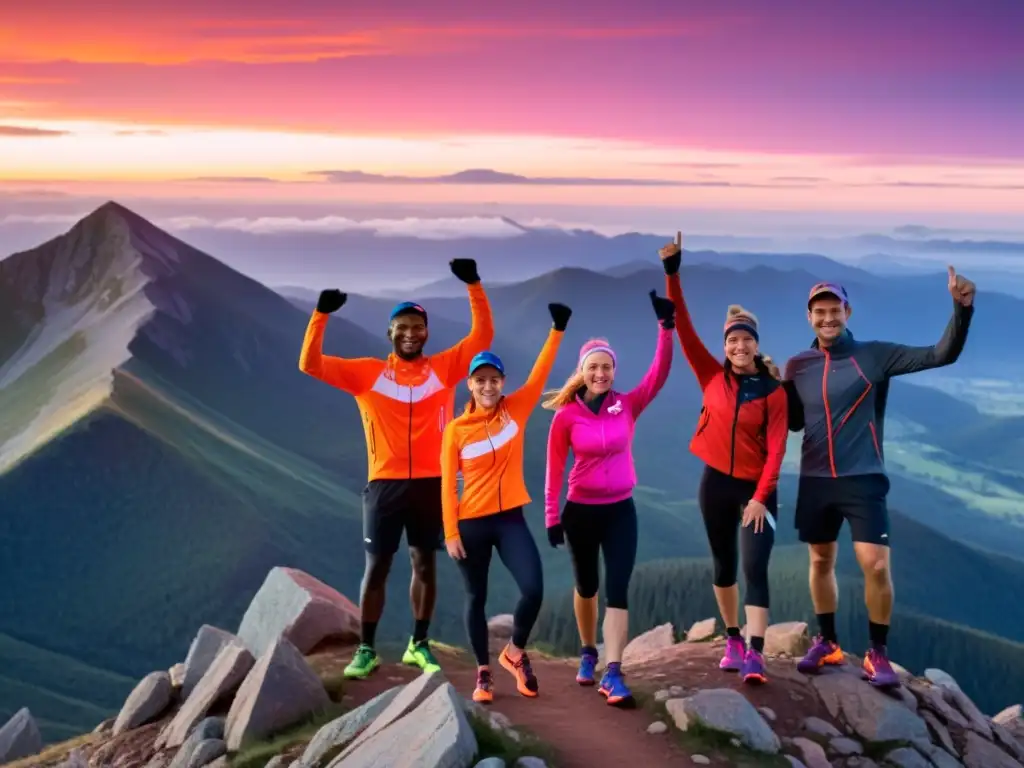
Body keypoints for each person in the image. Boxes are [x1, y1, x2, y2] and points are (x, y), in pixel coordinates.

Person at [298, 258, 494, 680]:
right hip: (384, 485)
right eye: (402, 327)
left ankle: (418, 644)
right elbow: (310, 364)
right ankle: (366, 649)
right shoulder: (367, 374)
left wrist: (474, 285)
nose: (410, 333)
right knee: (377, 568)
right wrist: (320, 315)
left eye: (417, 327)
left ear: (426, 333)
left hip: (432, 483)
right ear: (390, 333)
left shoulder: (444, 369)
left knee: (425, 564)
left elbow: (482, 337)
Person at [783, 268, 976, 688]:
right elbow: (794, 422)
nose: (828, 318)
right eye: (820, 312)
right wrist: (770, 385)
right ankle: (827, 642)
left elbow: (940, 354)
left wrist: (961, 309)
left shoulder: (874, 356)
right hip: (815, 479)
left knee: (876, 564)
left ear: (847, 312)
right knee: (820, 561)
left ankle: (877, 653)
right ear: (809, 317)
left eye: (835, 310)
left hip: (864, 476)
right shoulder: (797, 366)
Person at [660, 232, 789, 685]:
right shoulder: (710, 374)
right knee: (723, 565)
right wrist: (672, 272)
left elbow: (777, 450)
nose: (738, 347)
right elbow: (684, 326)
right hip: (714, 482)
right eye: (733, 340)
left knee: (755, 567)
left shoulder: (774, 393)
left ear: (756, 345)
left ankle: (755, 652)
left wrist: (759, 498)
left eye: (745, 340)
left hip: (756, 490)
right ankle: (733, 638)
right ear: (726, 344)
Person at [541, 290, 676, 706]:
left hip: (620, 511)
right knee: (587, 587)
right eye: (593, 367)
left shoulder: (628, 405)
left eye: (606, 367)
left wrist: (666, 328)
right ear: (582, 372)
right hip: (580, 513)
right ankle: (588, 651)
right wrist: (551, 516)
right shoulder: (566, 417)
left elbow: (658, 374)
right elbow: (554, 469)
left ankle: (614, 671)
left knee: (617, 589)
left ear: (614, 370)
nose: (600, 373)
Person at [441, 302, 572, 704]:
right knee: (475, 598)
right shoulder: (456, 430)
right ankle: (483, 673)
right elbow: (447, 484)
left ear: (502, 382)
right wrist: (450, 532)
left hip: (510, 519)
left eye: (494, 380)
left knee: (533, 588)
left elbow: (540, 374)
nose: (487, 386)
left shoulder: (516, 409)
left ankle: (514, 653)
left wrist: (557, 330)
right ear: (470, 384)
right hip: (471, 524)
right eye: (480, 380)